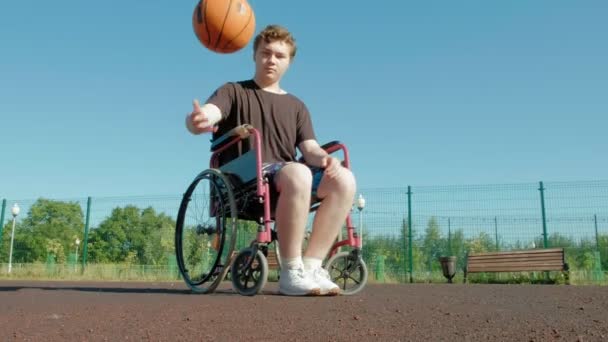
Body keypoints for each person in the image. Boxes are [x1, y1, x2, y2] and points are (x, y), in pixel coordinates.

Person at [185, 25, 356, 296]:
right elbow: (211, 112)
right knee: (298, 172)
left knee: (344, 179)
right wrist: (199, 119)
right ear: (254, 55)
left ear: (289, 62)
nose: (272, 60)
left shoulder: (297, 106)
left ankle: (311, 267)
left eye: (280, 55)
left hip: (289, 178)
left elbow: (309, 147)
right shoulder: (233, 91)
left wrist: (325, 159)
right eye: (266, 53)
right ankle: (290, 271)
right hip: (247, 178)